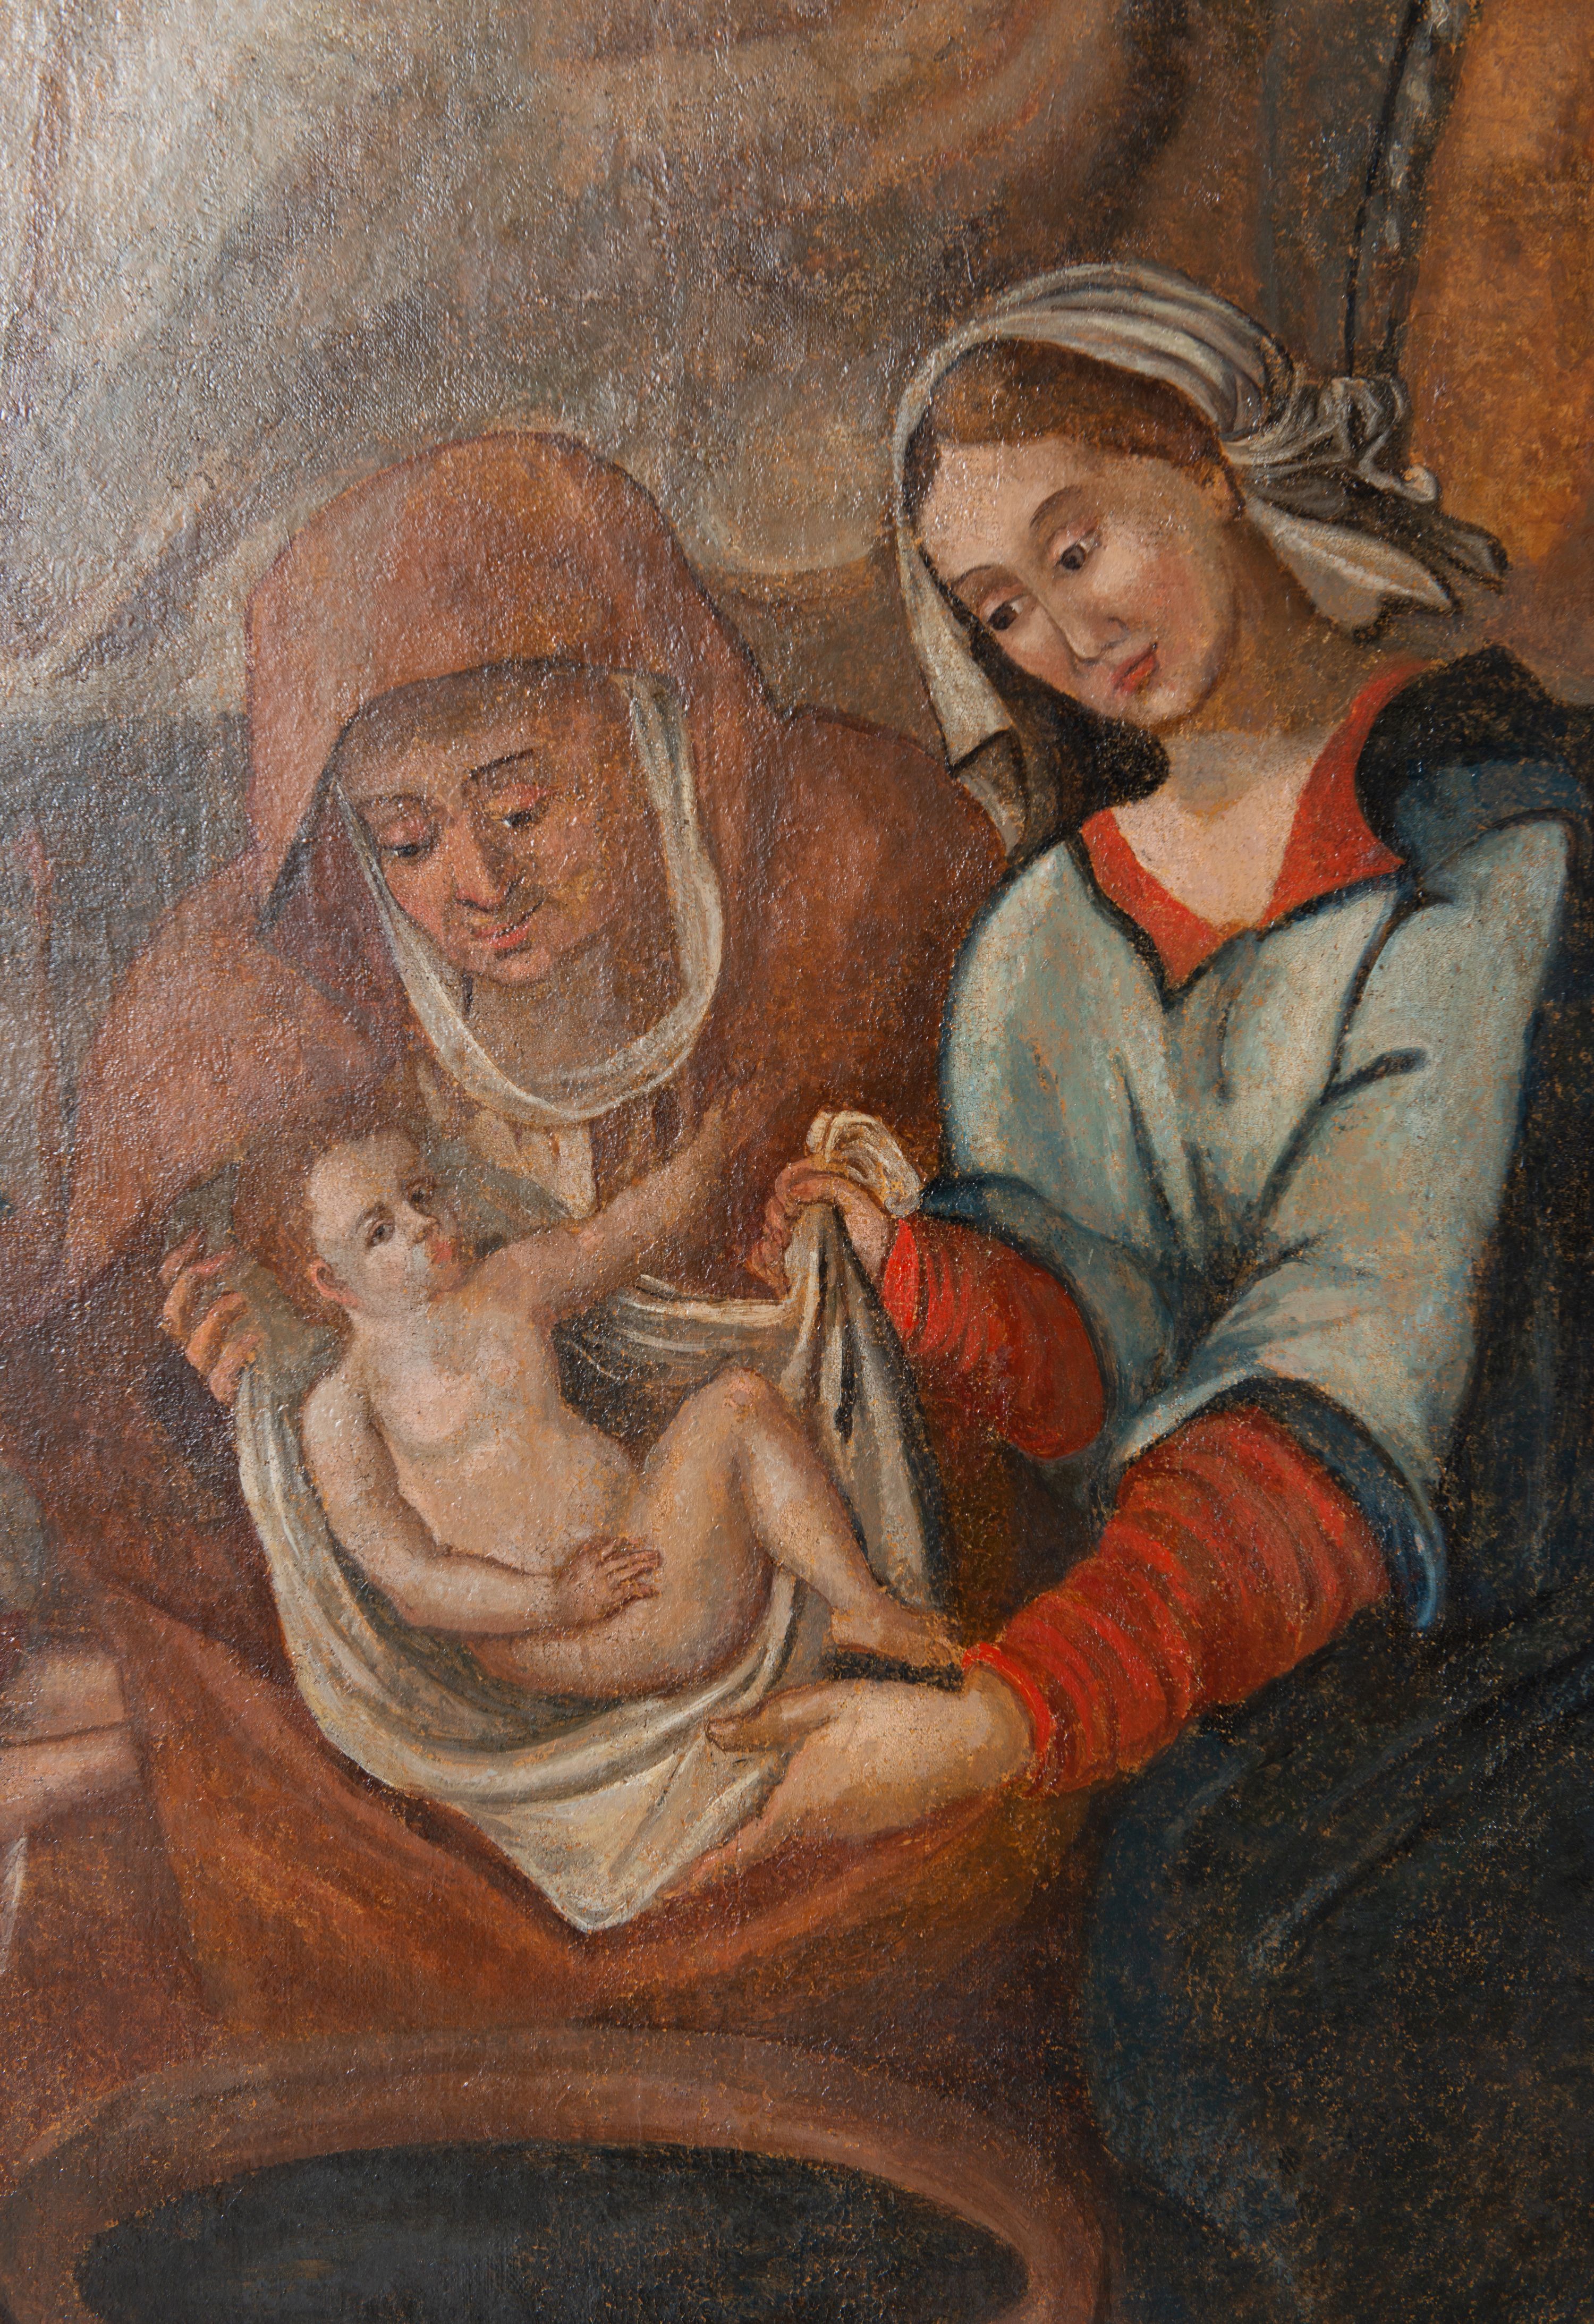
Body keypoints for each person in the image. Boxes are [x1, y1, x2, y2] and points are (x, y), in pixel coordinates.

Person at [722, 266, 1594, 2320]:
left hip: (1511, 1704)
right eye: (1000, 608)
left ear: (1207, 465)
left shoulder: (1489, 849)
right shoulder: (1048, 932)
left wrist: (1001, 1718)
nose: (1064, 632)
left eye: (1077, 541)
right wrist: (920, 1281)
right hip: (1222, 1681)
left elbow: (1343, 1361)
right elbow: (1105, 1357)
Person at [0, 432, 1012, 2141]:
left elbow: (1024, 1294)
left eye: (522, 805)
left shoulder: (853, 868)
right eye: (403, 839)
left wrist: (858, 1221)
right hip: (497, 1674)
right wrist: (233, 1403)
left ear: (655, 730)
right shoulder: (256, 1027)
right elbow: (162, 1478)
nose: (475, 885)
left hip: (762, 1608)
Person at [293, 1121, 954, 1696]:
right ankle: (865, 1611)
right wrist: (557, 1600)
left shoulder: (507, 1283)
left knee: (741, 1400)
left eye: (420, 1196)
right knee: (740, 1405)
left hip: (642, 1558)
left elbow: (625, 1231)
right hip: (565, 1633)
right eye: (381, 1232)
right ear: (332, 1281)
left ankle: (863, 1611)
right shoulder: (341, 1409)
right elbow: (412, 1582)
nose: (422, 1226)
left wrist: (724, 1135)